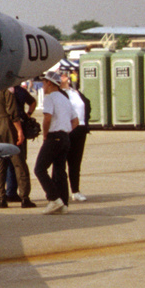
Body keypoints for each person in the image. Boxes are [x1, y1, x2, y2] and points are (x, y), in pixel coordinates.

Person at [0, 82, 35, 208]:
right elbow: (12, 112)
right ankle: (24, 197)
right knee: (18, 161)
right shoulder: (6, 90)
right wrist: (20, 130)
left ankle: (0, 197)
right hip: (7, 124)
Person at [35, 71, 75, 213]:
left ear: (50, 83)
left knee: (39, 169)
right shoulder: (65, 99)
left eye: (44, 83)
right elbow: (75, 121)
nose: (43, 85)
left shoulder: (50, 98)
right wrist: (65, 130)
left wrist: (45, 135)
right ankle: (63, 204)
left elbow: (47, 118)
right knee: (59, 170)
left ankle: (54, 199)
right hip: (64, 137)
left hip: (54, 136)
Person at [63, 72, 91, 201]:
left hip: (80, 129)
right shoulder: (58, 94)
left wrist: (85, 122)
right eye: (62, 75)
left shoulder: (75, 92)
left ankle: (75, 190)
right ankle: (60, 192)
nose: (65, 77)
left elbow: (87, 104)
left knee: (75, 162)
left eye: (65, 75)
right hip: (67, 130)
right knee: (61, 162)